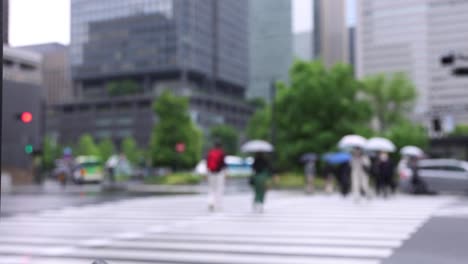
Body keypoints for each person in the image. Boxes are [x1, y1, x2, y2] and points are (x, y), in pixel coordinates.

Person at [206, 141, 226, 212]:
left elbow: (207, 163)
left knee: (211, 188)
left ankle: (210, 202)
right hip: (219, 173)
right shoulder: (221, 153)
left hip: (211, 172)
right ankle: (218, 204)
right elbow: (223, 164)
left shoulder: (210, 152)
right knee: (219, 188)